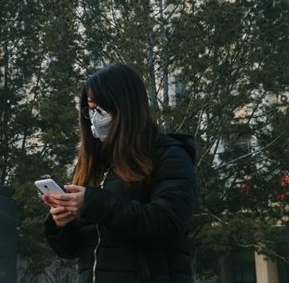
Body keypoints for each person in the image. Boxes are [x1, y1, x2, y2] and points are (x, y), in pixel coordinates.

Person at [43, 64, 196, 283]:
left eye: (101, 110)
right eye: (90, 110)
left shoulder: (169, 155)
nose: (94, 118)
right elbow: (73, 250)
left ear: (125, 108)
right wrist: (61, 223)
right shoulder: (93, 164)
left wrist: (94, 204)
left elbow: (167, 222)